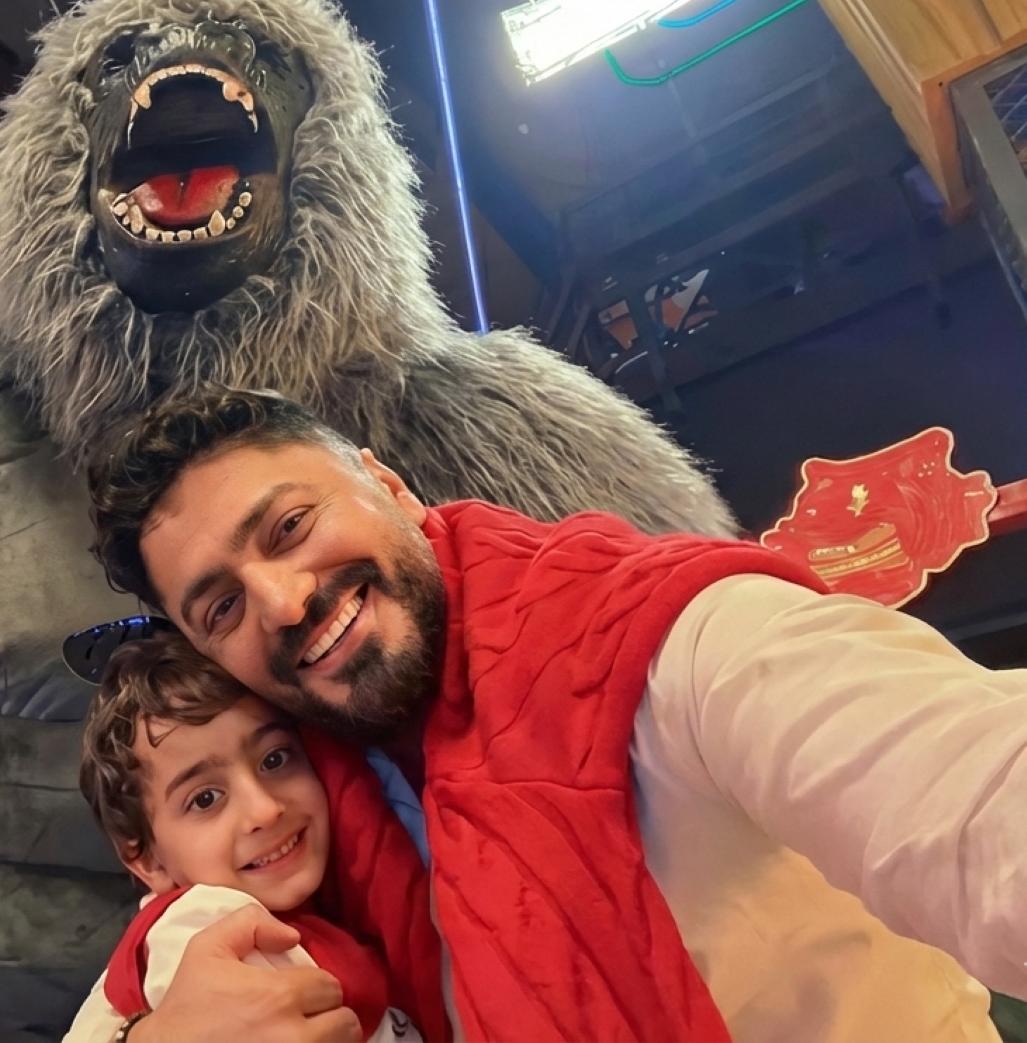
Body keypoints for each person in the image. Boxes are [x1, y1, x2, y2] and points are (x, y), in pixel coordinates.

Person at [86, 388, 1027, 1043]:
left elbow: (970, 791)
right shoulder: (302, 795)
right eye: (222, 607)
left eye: (291, 527)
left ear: (391, 487)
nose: (285, 601)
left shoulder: (670, 641)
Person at [64, 633, 436, 1043]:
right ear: (149, 861)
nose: (264, 810)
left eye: (274, 759)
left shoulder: (324, 912)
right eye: (205, 799)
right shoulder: (198, 925)